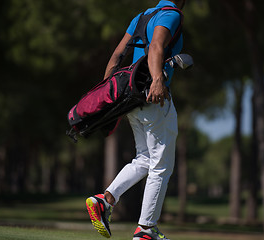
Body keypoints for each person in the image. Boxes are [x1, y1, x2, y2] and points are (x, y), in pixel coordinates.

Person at [86, 1, 186, 239]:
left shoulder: (142, 16)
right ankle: (146, 230)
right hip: (154, 97)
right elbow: (155, 48)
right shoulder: (171, 14)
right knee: (161, 166)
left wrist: (108, 95)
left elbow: (117, 55)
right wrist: (157, 80)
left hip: (133, 99)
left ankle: (105, 200)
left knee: (144, 159)